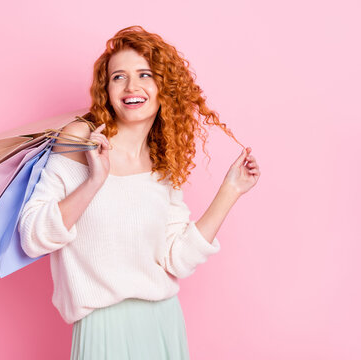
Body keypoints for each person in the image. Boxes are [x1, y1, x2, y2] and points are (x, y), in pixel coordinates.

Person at [17, 25, 260, 359]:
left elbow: (178, 259)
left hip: (163, 323)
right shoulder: (80, 140)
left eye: (145, 74)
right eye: (119, 77)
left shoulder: (163, 162)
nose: (132, 86)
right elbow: (32, 236)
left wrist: (230, 191)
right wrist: (94, 181)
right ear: (106, 89)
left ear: (163, 87)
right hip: (102, 329)